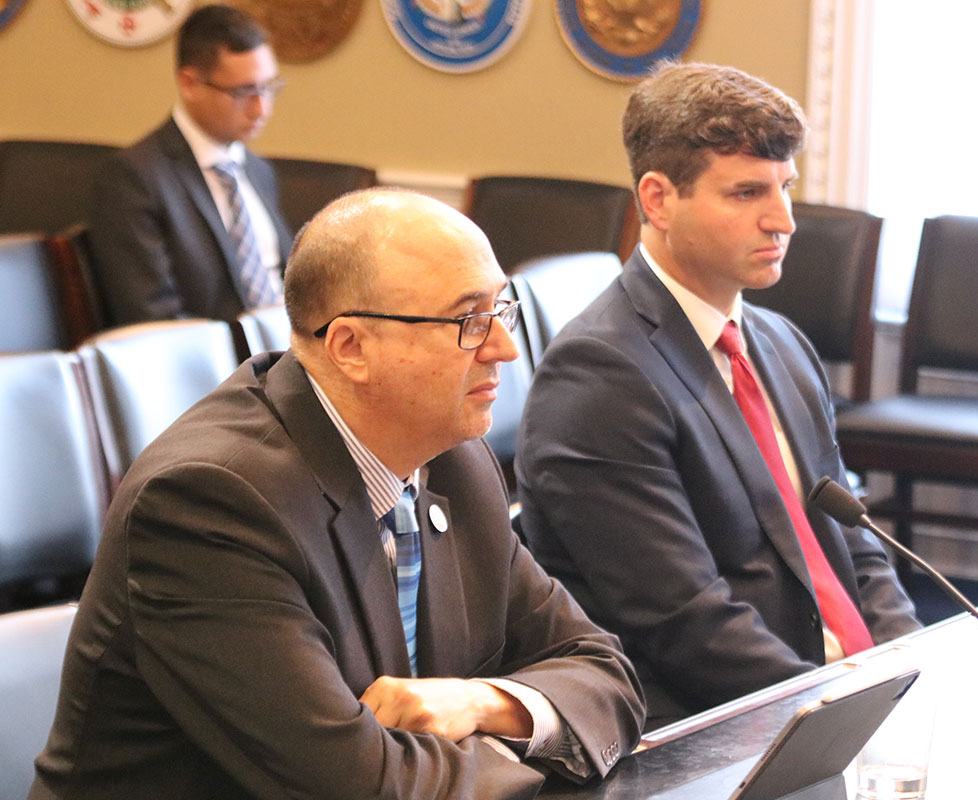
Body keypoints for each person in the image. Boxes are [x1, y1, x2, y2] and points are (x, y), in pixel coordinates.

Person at [30, 189, 645, 799]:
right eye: (468, 321)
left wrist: (485, 701)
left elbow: (605, 675)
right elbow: (363, 786)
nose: (505, 348)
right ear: (351, 347)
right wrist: (541, 737)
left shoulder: (453, 459)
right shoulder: (208, 503)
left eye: (500, 311)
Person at [515, 62, 922, 728]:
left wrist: (913, 663)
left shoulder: (782, 345)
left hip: (839, 698)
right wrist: (844, 712)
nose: (784, 219)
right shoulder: (599, 376)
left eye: (785, 187)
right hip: (719, 732)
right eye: (746, 193)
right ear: (657, 200)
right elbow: (686, 625)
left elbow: (857, 546)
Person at [87, 4, 292, 325]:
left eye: (268, 88)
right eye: (244, 91)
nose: (261, 109)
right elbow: (152, 318)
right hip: (216, 367)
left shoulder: (257, 170)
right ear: (190, 83)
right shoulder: (133, 178)